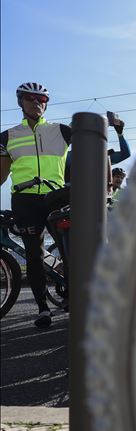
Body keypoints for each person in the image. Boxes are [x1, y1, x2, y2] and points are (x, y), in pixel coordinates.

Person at [0, 82, 72, 328]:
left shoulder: (62, 131)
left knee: (70, 250)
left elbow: (96, 146)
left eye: (42, 99)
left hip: (56, 197)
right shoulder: (7, 137)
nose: (37, 103)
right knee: (33, 255)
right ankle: (42, 308)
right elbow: (0, 175)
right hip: (25, 201)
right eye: (31, 98)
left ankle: (76, 296)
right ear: (21, 102)